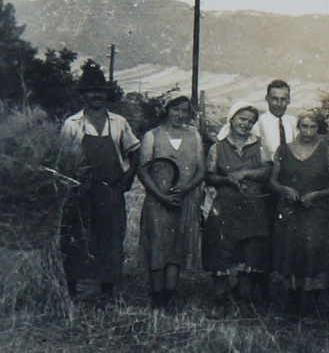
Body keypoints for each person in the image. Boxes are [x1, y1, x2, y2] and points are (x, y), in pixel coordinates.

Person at [60, 61, 140, 304]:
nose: (96, 96)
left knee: (110, 238)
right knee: (76, 238)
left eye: (101, 91)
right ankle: (71, 291)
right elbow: (63, 160)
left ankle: (106, 292)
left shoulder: (118, 123)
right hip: (79, 191)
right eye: (91, 91)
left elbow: (134, 151)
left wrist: (128, 177)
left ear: (107, 94)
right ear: (83, 95)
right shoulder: (72, 124)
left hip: (109, 191)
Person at [216, 80, 297, 298]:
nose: (279, 103)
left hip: (286, 187)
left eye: (283, 99)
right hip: (262, 190)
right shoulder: (257, 123)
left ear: (289, 100)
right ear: (267, 99)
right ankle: (258, 287)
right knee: (260, 238)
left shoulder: (293, 123)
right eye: (274, 98)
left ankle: (279, 286)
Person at [269, 109, 329, 317]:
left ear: (319, 128)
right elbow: (272, 181)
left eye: (313, 127)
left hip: (315, 212)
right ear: (297, 127)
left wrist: (317, 195)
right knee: (290, 252)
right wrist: (285, 190)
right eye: (304, 126)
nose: (308, 131)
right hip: (291, 211)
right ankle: (292, 301)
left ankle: (312, 304)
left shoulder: (327, 152)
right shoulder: (283, 150)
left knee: (313, 253)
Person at [137, 94, 205, 309]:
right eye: (176, 110)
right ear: (167, 110)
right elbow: (143, 170)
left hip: (184, 202)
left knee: (177, 250)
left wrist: (186, 189)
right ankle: (157, 299)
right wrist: (161, 195)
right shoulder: (153, 136)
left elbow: (202, 170)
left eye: (185, 111)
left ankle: (170, 296)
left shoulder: (194, 136)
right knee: (158, 247)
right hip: (158, 202)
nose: (180, 115)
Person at [203, 102, 272, 304]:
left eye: (251, 121)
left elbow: (267, 170)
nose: (246, 124)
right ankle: (220, 300)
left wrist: (245, 173)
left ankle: (243, 301)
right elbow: (209, 176)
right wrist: (227, 179)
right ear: (232, 119)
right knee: (220, 252)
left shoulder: (260, 145)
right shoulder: (218, 147)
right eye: (242, 119)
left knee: (250, 253)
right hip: (225, 208)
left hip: (252, 209)